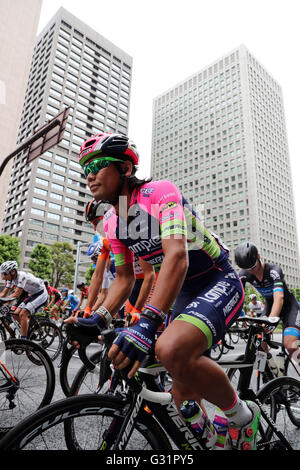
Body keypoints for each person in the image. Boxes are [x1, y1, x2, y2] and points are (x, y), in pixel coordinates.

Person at [65, 132, 260, 450]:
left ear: (126, 169)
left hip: (216, 278)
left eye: (98, 165)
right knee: (182, 397)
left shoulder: (160, 192)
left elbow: (177, 257)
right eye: (86, 168)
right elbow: (125, 278)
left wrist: (147, 322)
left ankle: (242, 416)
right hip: (182, 292)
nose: (90, 174)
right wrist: (98, 319)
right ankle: (215, 443)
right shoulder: (114, 223)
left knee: (169, 349)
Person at [235, 242, 300, 363]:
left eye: (253, 267)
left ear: (259, 257)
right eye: (247, 269)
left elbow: (279, 297)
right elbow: (238, 298)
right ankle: (271, 367)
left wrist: (271, 319)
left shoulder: (274, 270)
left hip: (289, 307)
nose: (251, 272)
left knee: (290, 345)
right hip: (270, 306)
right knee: (258, 341)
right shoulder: (244, 274)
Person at [0, 261, 48, 338]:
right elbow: (3, 294)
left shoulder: (21, 276)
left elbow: (16, 294)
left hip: (41, 293)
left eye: (5, 274)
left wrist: (2, 301)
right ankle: (28, 330)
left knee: (23, 314)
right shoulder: (10, 279)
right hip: (33, 294)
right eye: (2, 274)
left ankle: (24, 340)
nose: (3, 276)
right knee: (15, 314)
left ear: (12, 272)